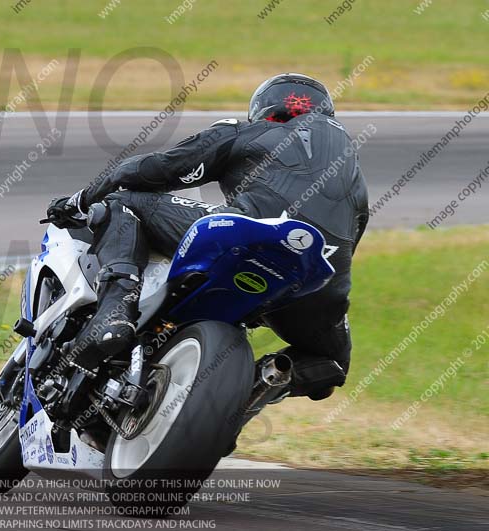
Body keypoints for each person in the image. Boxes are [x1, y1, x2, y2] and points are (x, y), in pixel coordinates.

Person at [46, 73, 369, 400]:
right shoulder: (356, 176)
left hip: (247, 235)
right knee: (331, 362)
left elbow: (152, 170)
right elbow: (350, 244)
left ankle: (114, 314)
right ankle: (242, 400)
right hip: (317, 279)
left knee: (122, 202)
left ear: (264, 108)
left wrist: (81, 199)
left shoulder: (245, 130)